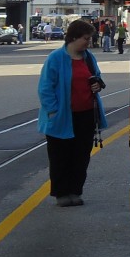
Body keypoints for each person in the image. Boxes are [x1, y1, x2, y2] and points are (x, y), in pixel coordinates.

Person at [37, 19, 108, 207]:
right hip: (61, 117)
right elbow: (45, 88)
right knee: (60, 156)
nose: (88, 42)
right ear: (74, 37)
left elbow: (97, 76)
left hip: (85, 115)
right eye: (86, 38)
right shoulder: (56, 58)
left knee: (81, 156)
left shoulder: (88, 57)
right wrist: (53, 111)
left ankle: (75, 191)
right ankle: (61, 193)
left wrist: (97, 83)